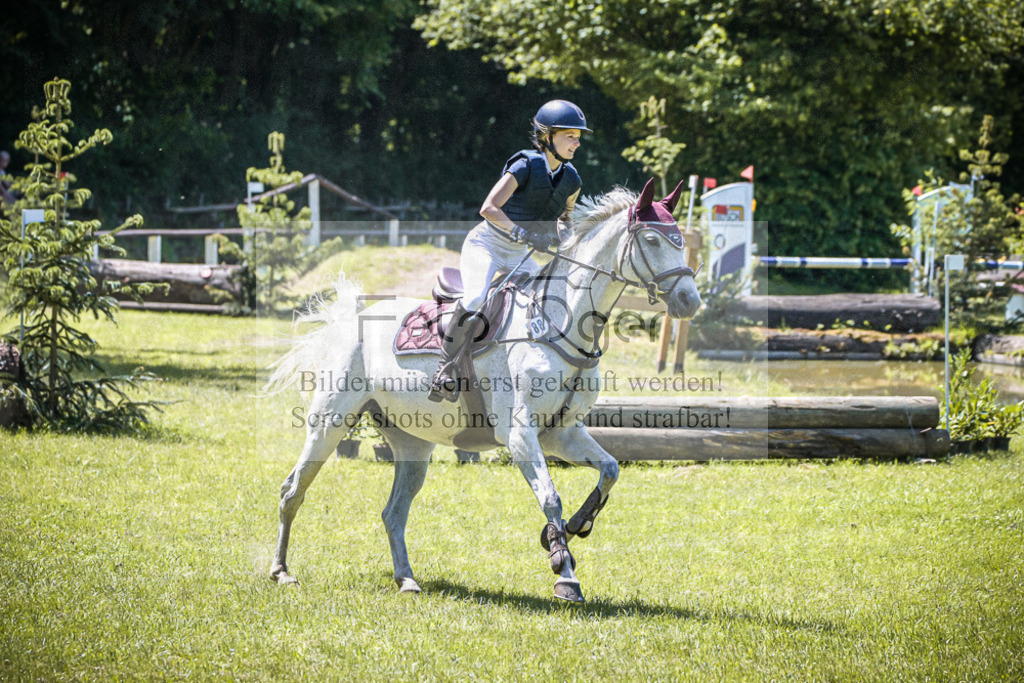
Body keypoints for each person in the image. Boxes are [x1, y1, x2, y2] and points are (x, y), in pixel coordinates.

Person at [428, 100, 591, 402]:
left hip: (521, 255)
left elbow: (564, 220)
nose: (576, 142)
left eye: (578, 136)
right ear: (548, 136)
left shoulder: (572, 180)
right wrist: (522, 232)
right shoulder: (525, 165)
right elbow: (488, 208)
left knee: (543, 303)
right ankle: (445, 369)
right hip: (488, 244)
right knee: (476, 298)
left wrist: (561, 237)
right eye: (570, 135)